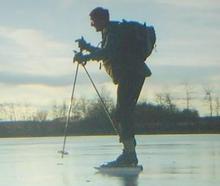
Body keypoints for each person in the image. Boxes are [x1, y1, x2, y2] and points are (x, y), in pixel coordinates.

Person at [74, 7, 151, 168]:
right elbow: (107, 51)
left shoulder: (114, 31)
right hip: (132, 74)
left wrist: (85, 56)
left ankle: (129, 155)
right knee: (123, 113)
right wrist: (86, 47)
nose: (91, 25)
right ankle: (129, 153)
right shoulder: (111, 31)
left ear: (102, 20)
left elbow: (107, 52)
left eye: (93, 21)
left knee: (123, 113)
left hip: (132, 74)